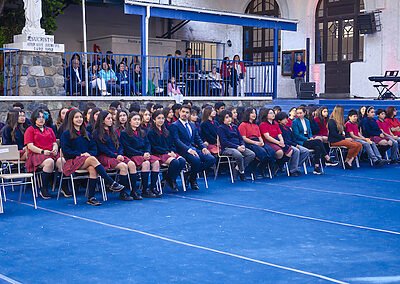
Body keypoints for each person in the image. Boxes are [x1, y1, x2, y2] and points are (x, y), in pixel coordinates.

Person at [60, 109, 125, 206]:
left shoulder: (86, 134)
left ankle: (91, 197)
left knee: (92, 168)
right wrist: (81, 154)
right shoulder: (66, 134)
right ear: (71, 119)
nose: (79, 119)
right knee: (92, 160)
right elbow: (66, 151)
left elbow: (94, 148)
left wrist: (88, 154)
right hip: (73, 160)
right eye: (76, 117)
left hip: (87, 160)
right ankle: (110, 182)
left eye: (81, 117)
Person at [92, 111, 139, 201]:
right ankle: (123, 193)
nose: (111, 120)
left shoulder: (113, 131)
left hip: (117, 155)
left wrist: (120, 154)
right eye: (108, 118)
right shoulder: (96, 133)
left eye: (111, 118)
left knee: (132, 164)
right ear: (102, 120)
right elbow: (102, 148)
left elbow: (120, 145)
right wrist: (114, 155)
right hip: (104, 156)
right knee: (123, 166)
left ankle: (134, 191)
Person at [169, 104, 216, 190]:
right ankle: (193, 180)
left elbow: (197, 138)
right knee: (196, 160)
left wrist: (203, 147)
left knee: (211, 159)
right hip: (182, 150)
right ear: (179, 112)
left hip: (194, 148)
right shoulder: (174, 125)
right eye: (183, 112)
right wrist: (188, 150)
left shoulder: (192, 125)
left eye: (187, 112)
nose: (184, 114)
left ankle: (190, 174)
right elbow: (176, 140)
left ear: (189, 114)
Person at [24, 108, 62, 199]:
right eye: (38, 117)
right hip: (37, 154)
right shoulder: (30, 130)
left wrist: (55, 149)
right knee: (49, 162)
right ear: (34, 119)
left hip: (50, 153)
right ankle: (44, 188)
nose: (41, 119)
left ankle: (62, 186)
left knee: (62, 160)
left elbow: (54, 142)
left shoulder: (49, 129)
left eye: (43, 117)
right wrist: (42, 151)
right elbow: (30, 145)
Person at [120, 112, 161, 198]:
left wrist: (147, 152)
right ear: (130, 121)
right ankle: (140, 190)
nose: (137, 121)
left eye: (138, 119)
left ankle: (152, 187)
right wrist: (142, 154)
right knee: (146, 163)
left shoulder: (142, 132)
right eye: (135, 119)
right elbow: (127, 148)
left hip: (143, 154)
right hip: (133, 154)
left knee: (156, 162)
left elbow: (147, 144)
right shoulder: (124, 133)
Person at [148, 110, 186, 192]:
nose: (161, 120)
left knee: (182, 161)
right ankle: (169, 180)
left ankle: (170, 178)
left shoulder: (166, 131)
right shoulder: (151, 132)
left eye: (162, 118)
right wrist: (167, 152)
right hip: (159, 153)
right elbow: (154, 147)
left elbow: (172, 143)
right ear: (154, 120)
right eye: (158, 118)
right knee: (175, 162)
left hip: (169, 152)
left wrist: (172, 150)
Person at [292, 106, 338, 174]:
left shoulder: (307, 121)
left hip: (308, 138)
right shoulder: (295, 122)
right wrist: (307, 139)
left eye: (300, 113)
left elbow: (309, 131)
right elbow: (296, 134)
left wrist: (310, 137)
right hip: (300, 141)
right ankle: (327, 157)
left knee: (317, 147)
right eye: (298, 113)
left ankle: (316, 167)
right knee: (319, 141)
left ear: (304, 113)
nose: (299, 115)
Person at [217, 110, 255, 180]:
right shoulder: (221, 128)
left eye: (230, 117)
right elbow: (224, 142)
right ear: (222, 119)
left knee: (251, 154)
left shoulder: (234, 127)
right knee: (238, 155)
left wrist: (242, 145)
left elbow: (240, 138)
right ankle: (242, 172)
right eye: (227, 117)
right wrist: (237, 147)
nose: (229, 119)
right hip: (227, 148)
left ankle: (237, 168)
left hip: (239, 146)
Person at [238, 108, 275, 177]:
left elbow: (259, 136)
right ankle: (253, 169)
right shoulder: (243, 125)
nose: (254, 114)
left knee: (271, 151)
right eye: (252, 113)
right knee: (262, 152)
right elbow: (244, 138)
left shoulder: (256, 125)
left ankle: (263, 167)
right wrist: (255, 143)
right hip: (249, 142)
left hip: (257, 141)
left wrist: (261, 142)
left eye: (255, 113)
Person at [276, 112, 310, 176]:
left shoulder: (288, 128)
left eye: (287, 118)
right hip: (286, 144)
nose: (286, 120)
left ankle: (295, 165)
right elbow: (285, 140)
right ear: (279, 121)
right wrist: (295, 145)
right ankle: (293, 170)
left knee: (306, 151)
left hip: (293, 143)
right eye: (284, 119)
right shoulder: (279, 128)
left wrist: (296, 144)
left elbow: (293, 137)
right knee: (296, 151)